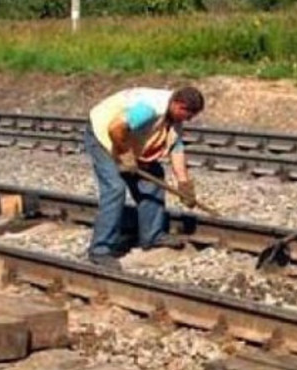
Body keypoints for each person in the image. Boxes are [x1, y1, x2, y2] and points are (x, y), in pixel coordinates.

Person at [83, 85, 205, 269]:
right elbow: (115, 128)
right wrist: (125, 154)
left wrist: (183, 184)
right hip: (103, 136)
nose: (188, 120)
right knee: (115, 188)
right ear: (179, 105)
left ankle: (152, 235)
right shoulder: (149, 108)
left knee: (153, 178)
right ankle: (100, 250)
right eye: (188, 115)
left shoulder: (174, 116)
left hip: (128, 139)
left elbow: (176, 148)